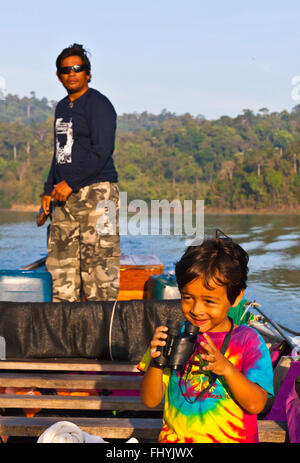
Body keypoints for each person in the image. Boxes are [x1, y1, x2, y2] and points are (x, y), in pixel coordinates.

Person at [139, 237, 274, 443]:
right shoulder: (173, 335)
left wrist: (227, 368)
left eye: (209, 301)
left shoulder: (249, 341)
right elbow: (150, 400)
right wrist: (157, 362)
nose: (196, 310)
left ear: (236, 297)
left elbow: (256, 404)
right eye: (187, 297)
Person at [41, 43, 120, 302]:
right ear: (58, 75)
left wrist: (71, 183)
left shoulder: (99, 104)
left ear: (88, 73)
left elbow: (103, 150)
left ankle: (103, 339)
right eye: (65, 70)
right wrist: (47, 190)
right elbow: (60, 152)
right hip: (64, 196)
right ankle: (64, 337)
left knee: (99, 272)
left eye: (77, 68)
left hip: (97, 192)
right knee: (60, 271)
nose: (71, 73)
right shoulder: (62, 107)